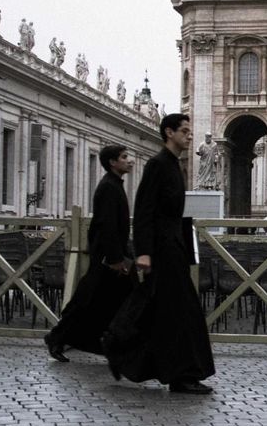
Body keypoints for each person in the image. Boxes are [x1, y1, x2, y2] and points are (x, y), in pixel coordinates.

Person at [102, 113, 215, 394]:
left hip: (174, 247)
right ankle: (180, 374)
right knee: (178, 312)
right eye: (185, 131)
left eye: (190, 131)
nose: (190, 135)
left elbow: (179, 213)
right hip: (161, 251)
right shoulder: (157, 165)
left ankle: (120, 349)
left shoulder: (177, 166)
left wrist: (189, 249)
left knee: (162, 311)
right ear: (169, 132)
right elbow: (144, 210)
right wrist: (143, 253)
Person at [44, 145, 135, 362]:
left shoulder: (114, 185)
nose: (128, 161)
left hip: (111, 255)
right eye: (124, 157)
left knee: (105, 302)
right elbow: (107, 225)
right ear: (113, 162)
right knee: (87, 300)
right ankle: (58, 336)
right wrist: (114, 258)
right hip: (108, 258)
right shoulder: (108, 188)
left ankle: (112, 344)